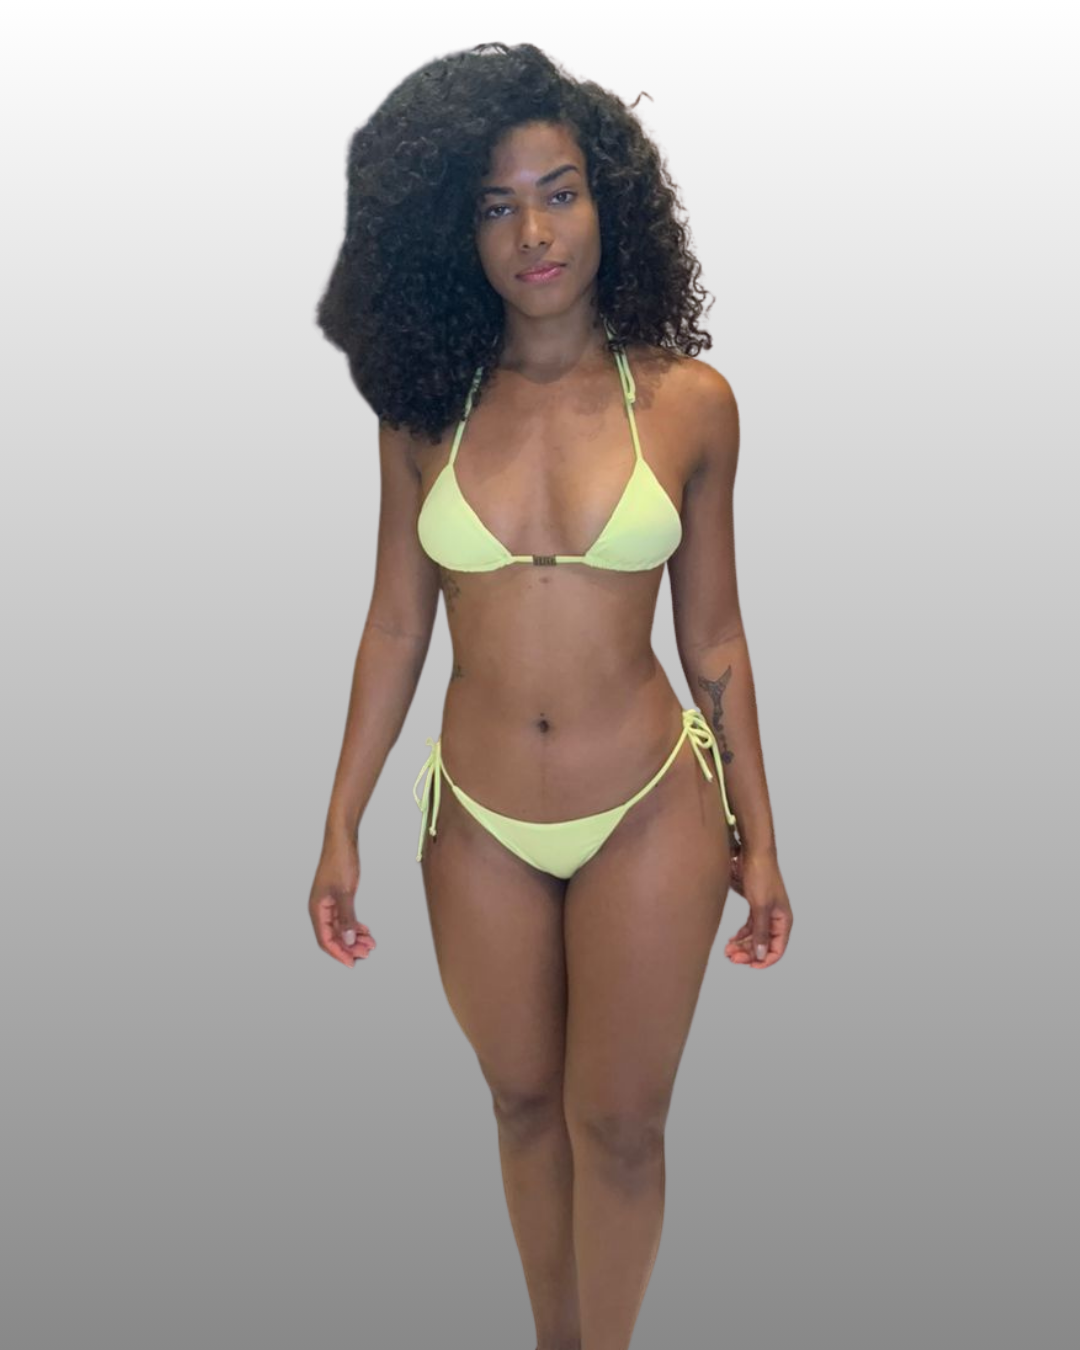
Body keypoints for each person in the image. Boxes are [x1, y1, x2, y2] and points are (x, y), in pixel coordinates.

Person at [309, 41, 793, 1350]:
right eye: (496, 205)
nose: (534, 232)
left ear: (608, 201)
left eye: (560, 193)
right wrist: (340, 819)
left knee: (619, 1126)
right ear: (451, 234)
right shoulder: (421, 413)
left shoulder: (689, 405)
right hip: (478, 819)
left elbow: (717, 636)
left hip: (649, 806)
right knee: (524, 1109)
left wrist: (761, 837)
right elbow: (396, 623)